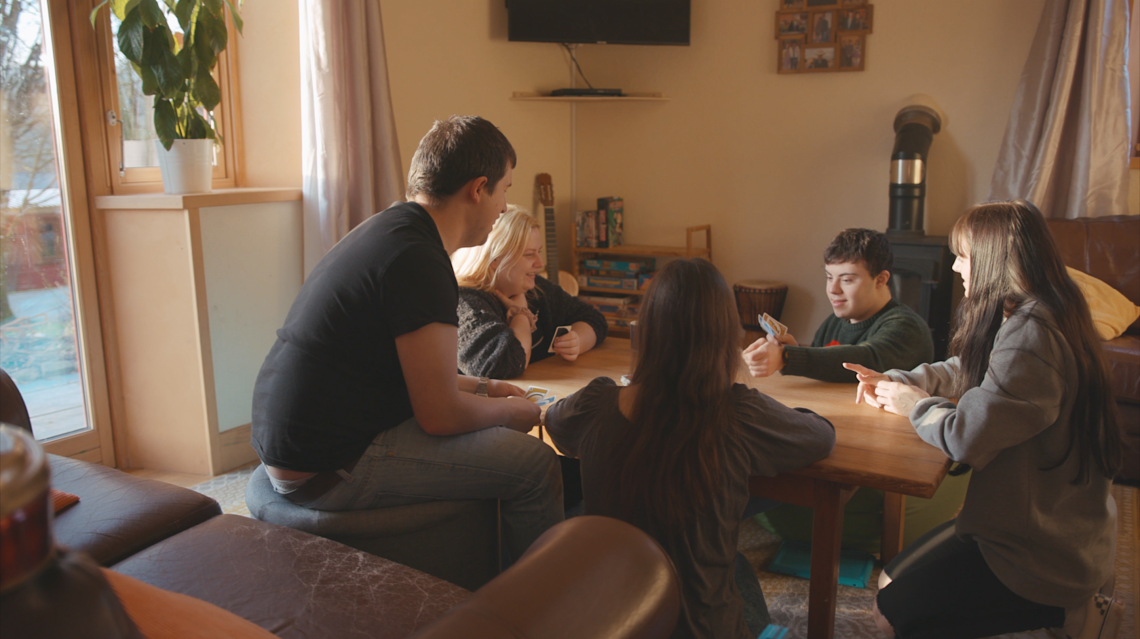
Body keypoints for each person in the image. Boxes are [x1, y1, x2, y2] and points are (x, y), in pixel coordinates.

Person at [250, 116, 563, 564]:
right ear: (478, 189)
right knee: (535, 464)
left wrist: (486, 387)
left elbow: (415, 375)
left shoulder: (392, 230)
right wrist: (511, 411)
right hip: (330, 464)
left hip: (294, 442)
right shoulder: (421, 261)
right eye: (505, 189)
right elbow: (439, 414)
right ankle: (538, 609)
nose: (503, 207)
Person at [849, 200, 1122, 639]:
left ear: (996, 260)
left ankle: (1070, 614)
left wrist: (912, 404)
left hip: (1038, 554)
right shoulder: (1044, 305)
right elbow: (968, 367)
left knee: (889, 614)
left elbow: (967, 438)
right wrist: (901, 381)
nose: (956, 267)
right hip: (1045, 525)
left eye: (964, 256)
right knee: (891, 580)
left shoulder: (1032, 334)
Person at [545, 258, 836, 639]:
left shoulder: (596, 402)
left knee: (737, 567)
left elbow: (554, 423)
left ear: (646, 331)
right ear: (725, 336)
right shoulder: (740, 413)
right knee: (730, 566)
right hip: (702, 629)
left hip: (615, 622)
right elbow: (821, 436)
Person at [746, 228, 963, 555]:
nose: (833, 290)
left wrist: (790, 357)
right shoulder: (835, 323)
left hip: (885, 459)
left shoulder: (905, 327)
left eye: (846, 280)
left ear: (881, 279)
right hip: (841, 435)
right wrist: (798, 351)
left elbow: (869, 357)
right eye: (829, 277)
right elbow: (822, 368)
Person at [453, 205, 607, 379]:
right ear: (495, 258)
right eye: (529, 255)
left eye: (539, 252)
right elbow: (506, 365)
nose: (540, 263)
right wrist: (521, 315)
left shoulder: (534, 288)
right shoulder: (465, 302)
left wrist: (578, 341)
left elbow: (594, 318)